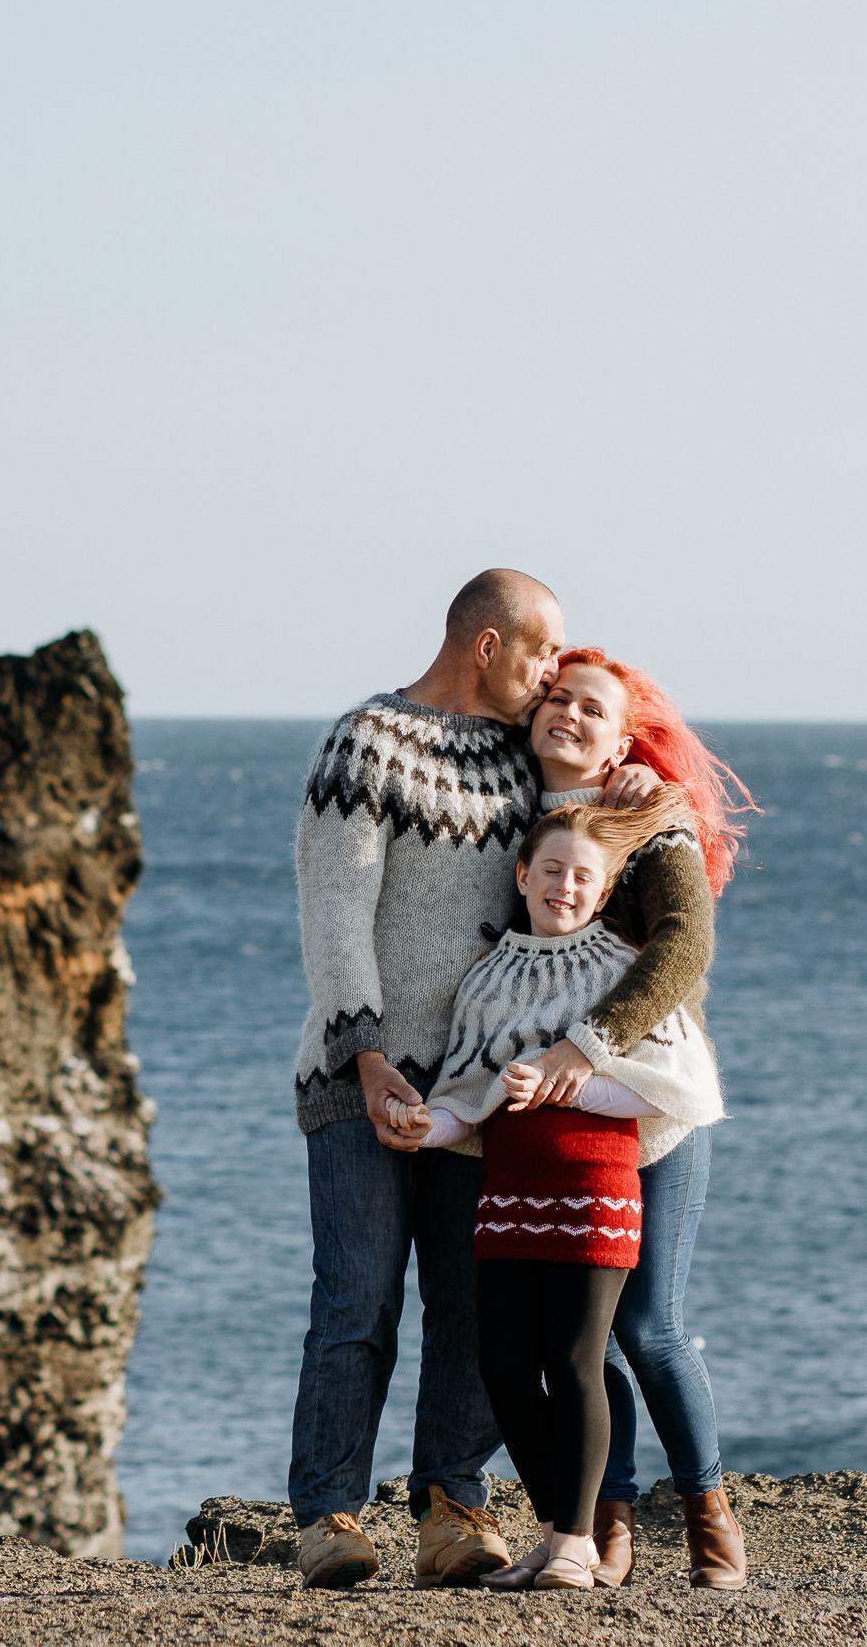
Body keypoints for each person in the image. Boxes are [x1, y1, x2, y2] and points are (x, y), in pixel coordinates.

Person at [285, 569, 659, 1591]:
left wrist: (629, 790)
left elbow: (579, 851)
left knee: (469, 1308)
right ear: (487, 645)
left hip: (479, 1089)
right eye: (542, 654)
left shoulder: (518, 757)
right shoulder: (367, 741)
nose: (551, 676)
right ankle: (328, 1514)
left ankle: (451, 1502)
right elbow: (333, 908)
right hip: (359, 1077)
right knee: (355, 1303)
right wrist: (363, 1055)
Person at [384, 799, 725, 1590]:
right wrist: (421, 1123)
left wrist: (568, 1086)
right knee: (504, 1364)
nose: (564, 887)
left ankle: (578, 1540)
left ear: (603, 889)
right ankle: (554, 1533)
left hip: (595, 1193)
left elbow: (676, 1091)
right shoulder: (488, 978)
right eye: (551, 872)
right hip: (507, 1194)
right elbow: (470, 1097)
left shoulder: (620, 968)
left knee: (574, 1361)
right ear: (521, 876)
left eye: (582, 876)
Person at [512, 649, 759, 1590]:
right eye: (557, 699)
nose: (568, 714)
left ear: (623, 738)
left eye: (592, 707)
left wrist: (587, 1045)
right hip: (555, 1119)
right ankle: (606, 1522)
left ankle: (709, 1517)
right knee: (583, 1333)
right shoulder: (515, 814)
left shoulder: (650, 815)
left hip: (646, 1101)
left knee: (651, 1323)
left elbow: (686, 945)